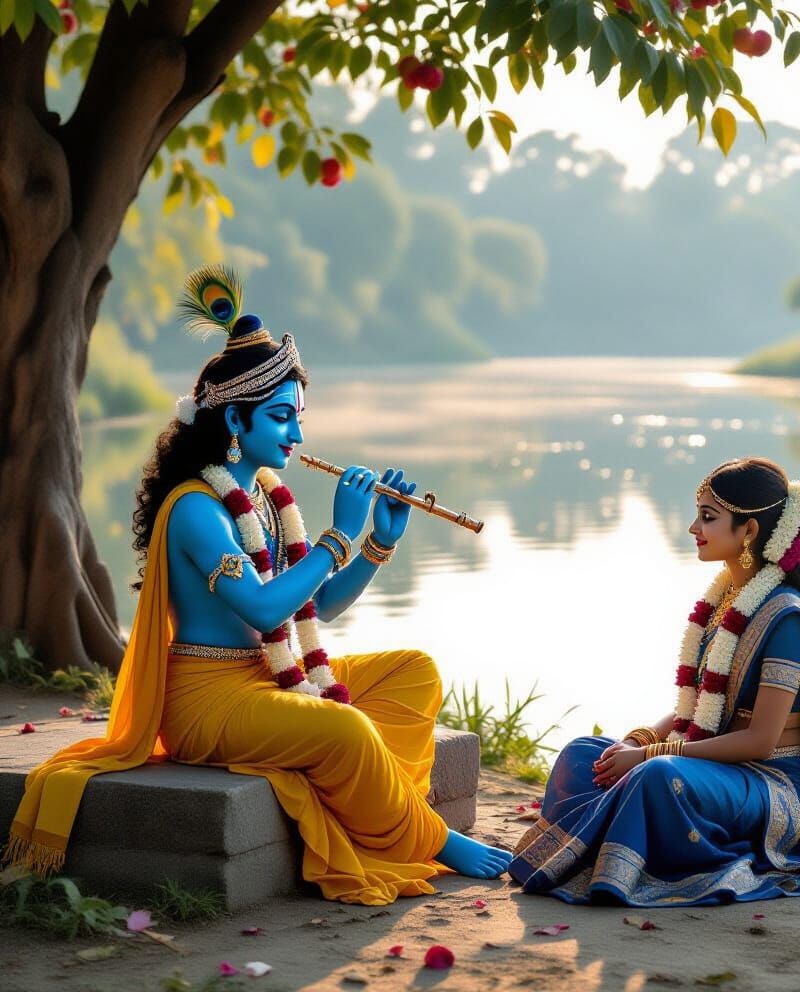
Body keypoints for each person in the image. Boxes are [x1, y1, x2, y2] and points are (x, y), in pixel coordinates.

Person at [3, 265, 511, 905]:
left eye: (298, 417)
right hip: (206, 702)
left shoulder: (267, 498)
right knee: (347, 731)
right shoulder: (198, 510)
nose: (296, 435)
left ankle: (382, 813)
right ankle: (427, 838)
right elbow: (264, 607)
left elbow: (314, 605)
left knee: (414, 672)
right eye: (280, 418)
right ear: (235, 424)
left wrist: (377, 545)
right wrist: (337, 535)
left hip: (268, 676)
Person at [509, 456, 800, 906]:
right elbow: (697, 708)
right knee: (583, 755)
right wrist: (639, 738)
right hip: (713, 763)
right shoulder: (725, 601)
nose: (693, 527)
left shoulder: (786, 618)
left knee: (655, 775)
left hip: (775, 783)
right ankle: (592, 847)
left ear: (749, 530)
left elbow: (759, 740)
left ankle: (614, 854)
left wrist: (649, 755)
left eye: (708, 517)